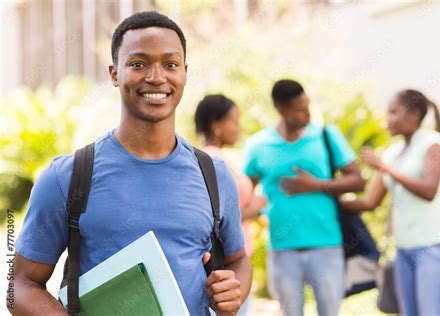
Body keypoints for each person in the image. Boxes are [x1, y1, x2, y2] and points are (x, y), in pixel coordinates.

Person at [11, 11, 252, 315]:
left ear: (185, 73)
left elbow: (237, 260)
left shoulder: (213, 175)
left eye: (170, 64)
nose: (156, 77)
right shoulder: (68, 177)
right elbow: (19, 285)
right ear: (114, 74)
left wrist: (234, 289)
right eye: (138, 64)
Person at [243, 79, 366, 316]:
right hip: (282, 248)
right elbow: (243, 189)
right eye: (300, 110)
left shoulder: (325, 136)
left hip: (326, 245)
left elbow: (358, 180)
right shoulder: (258, 145)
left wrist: (318, 185)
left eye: (307, 107)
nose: (307, 115)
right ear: (281, 109)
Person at [339, 89, 440, 316]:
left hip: (434, 247)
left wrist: (384, 167)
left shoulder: (432, 142)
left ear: (412, 114)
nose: (387, 121)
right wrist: (330, 197)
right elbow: (369, 202)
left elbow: (429, 190)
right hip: (403, 250)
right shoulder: (393, 152)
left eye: (393, 113)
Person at [194, 94, 268, 315]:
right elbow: (222, 215)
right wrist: (256, 208)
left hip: (235, 260)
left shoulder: (214, 158)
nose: (238, 128)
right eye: (234, 121)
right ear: (216, 126)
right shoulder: (215, 162)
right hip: (225, 267)